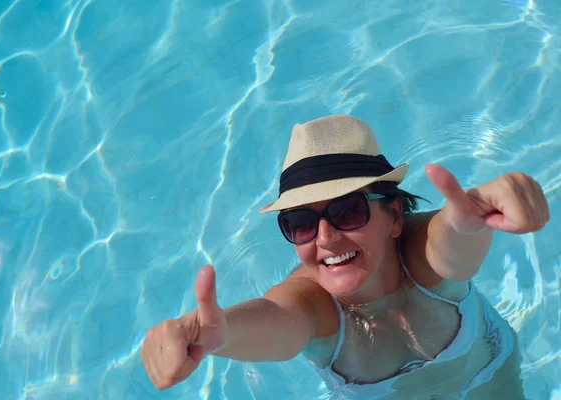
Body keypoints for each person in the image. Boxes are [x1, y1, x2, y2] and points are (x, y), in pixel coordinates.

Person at [141, 115, 550, 399]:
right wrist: (222, 334)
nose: (326, 237)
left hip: (490, 382)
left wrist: (475, 217)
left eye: (347, 210)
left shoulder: (421, 256)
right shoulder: (313, 304)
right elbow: (280, 321)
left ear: (393, 214)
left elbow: (452, 246)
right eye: (301, 221)